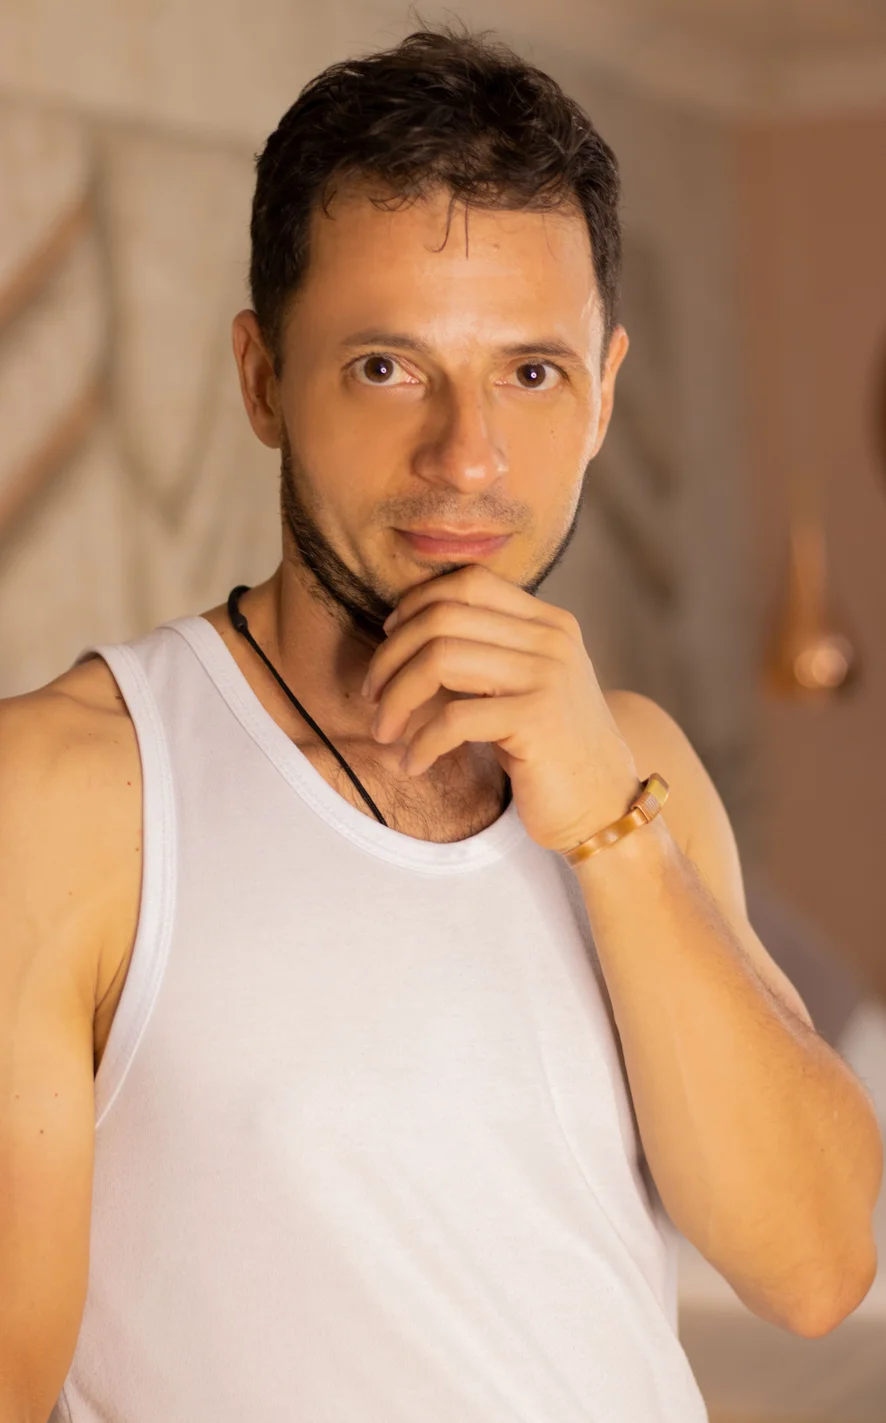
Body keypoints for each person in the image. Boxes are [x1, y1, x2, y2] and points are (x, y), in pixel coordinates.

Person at [2, 23, 881, 1423]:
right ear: (262, 378)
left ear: (602, 395)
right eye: (387, 367)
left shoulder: (636, 763)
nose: (466, 457)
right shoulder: (70, 790)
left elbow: (818, 1266)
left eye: (530, 373)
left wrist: (606, 823)